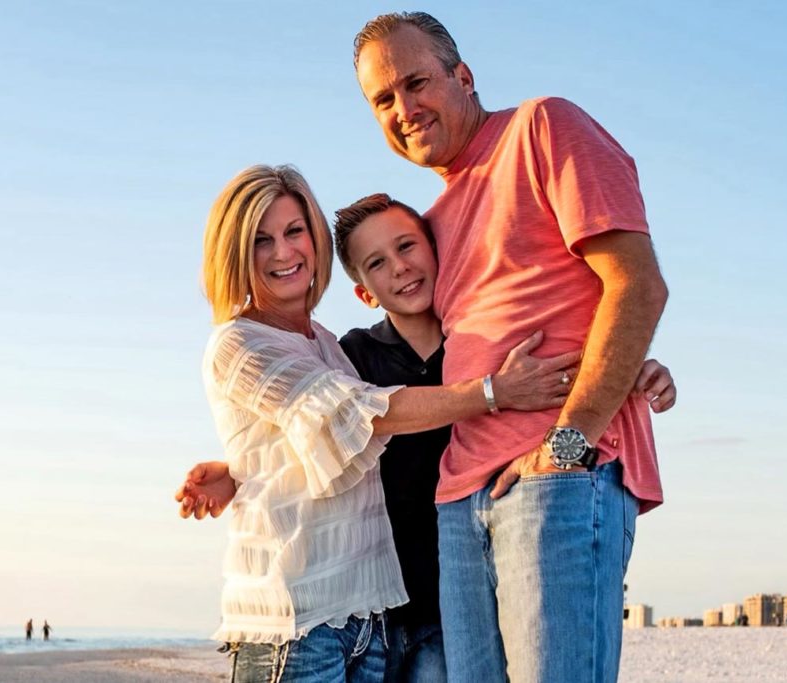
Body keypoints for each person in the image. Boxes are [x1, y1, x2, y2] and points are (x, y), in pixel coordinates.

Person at [353, 12, 671, 683]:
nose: (404, 108)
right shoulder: (430, 224)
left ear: (463, 77)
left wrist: (570, 443)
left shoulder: (543, 127)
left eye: (416, 83)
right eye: (382, 99)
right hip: (457, 500)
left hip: (555, 477)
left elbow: (638, 286)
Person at [175, 164, 575, 682]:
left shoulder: (324, 345)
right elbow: (360, 413)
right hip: (295, 623)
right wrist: (494, 391)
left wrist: (239, 469)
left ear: (313, 238)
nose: (282, 252)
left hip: (366, 619)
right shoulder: (239, 341)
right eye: (260, 240)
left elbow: (316, 436)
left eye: (294, 232)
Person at [331, 193, 677, 683]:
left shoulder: (482, 345)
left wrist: (640, 371)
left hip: (462, 590)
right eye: (377, 263)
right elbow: (314, 415)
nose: (400, 268)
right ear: (365, 292)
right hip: (386, 606)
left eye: (407, 246)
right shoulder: (357, 354)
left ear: (438, 252)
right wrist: (233, 471)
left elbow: (581, 357)